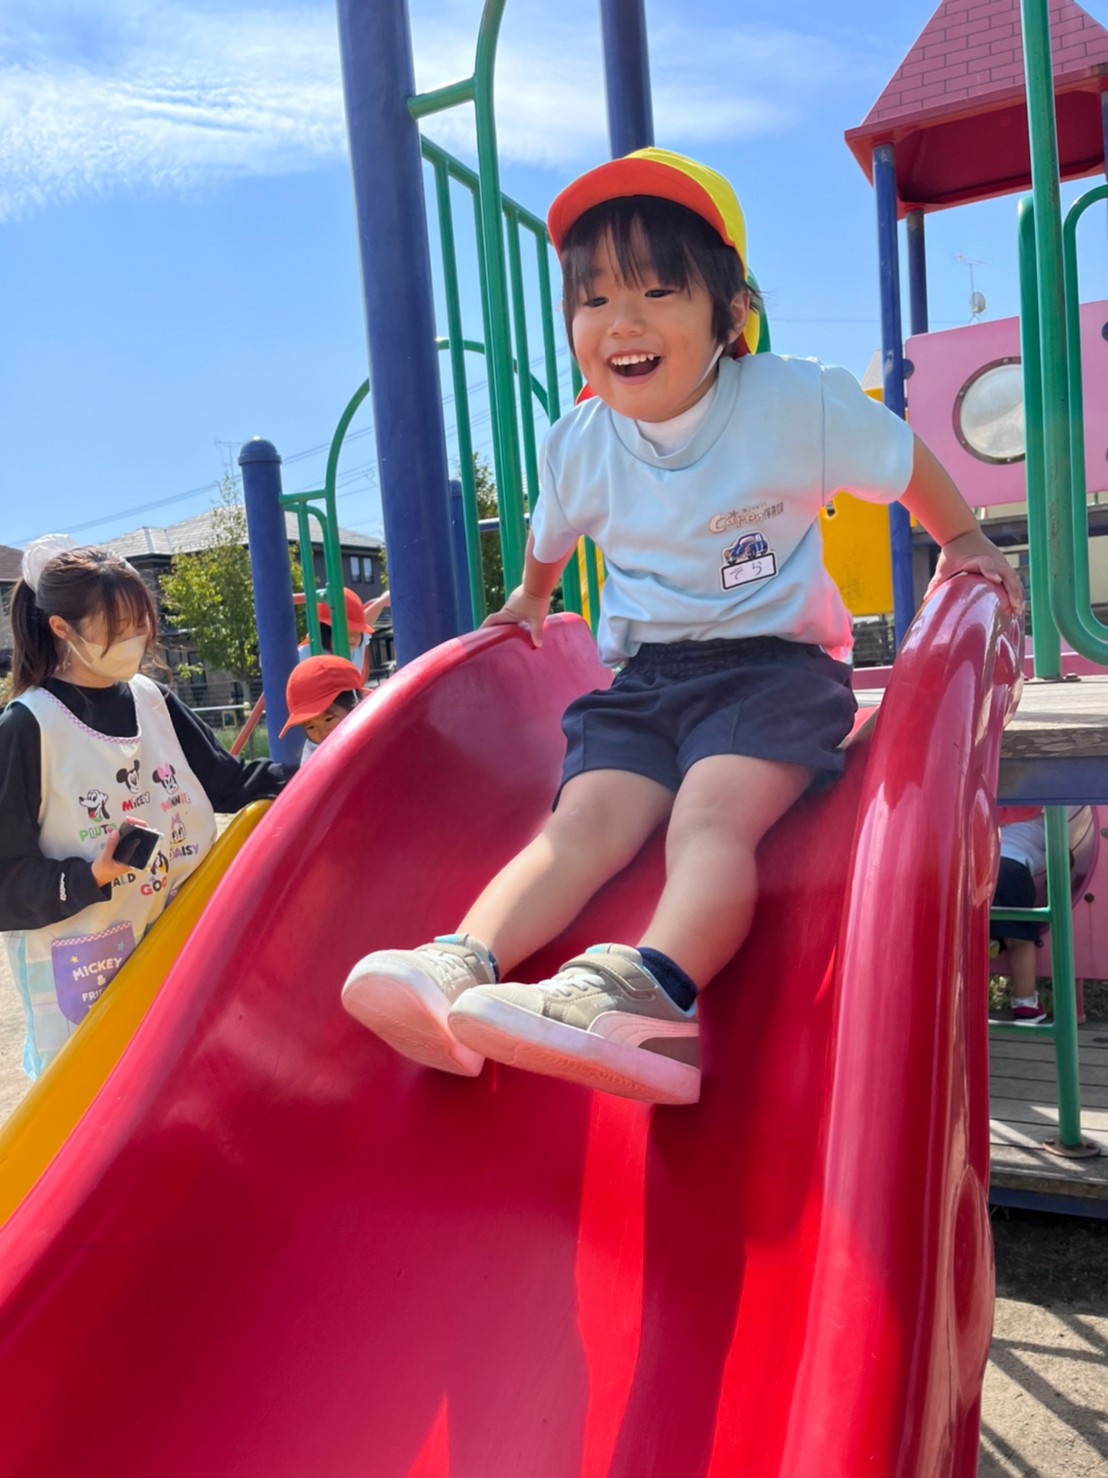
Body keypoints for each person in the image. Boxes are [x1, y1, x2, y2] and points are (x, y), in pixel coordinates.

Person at [341, 147, 1023, 1106]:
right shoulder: (580, 441)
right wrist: (531, 597)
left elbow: (901, 457)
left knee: (709, 816)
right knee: (580, 823)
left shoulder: (790, 400)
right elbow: (550, 534)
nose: (621, 321)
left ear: (729, 311)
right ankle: (462, 960)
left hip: (776, 673)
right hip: (648, 679)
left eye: (658, 291)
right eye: (594, 299)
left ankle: (654, 995)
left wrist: (962, 538)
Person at [0, 536, 295, 1078]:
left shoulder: (152, 700)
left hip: (174, 948)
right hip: (84, 973)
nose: (134, 639)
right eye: (115, 627)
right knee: (95, 1099)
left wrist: (329, 764)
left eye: (140, 623)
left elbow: (230, 783)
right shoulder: (27, 727)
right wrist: (89, 876)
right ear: (61, 628)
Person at [990, 807, 1083, 1025]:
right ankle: (1026, 1005)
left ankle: (989, 941)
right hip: (1012, 871)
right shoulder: (1046, 822)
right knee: (1020, 941)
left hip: (978, 867)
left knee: (977, 926)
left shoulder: (989, 817)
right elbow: (1062, 856)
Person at [282, 654, 365, 765]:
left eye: (328, 719)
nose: (322, 734)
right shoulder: (312, 757)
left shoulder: (377, 736)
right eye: (310, 727)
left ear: (355, 705)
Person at [297, 587, 391, 682]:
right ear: (324, 632)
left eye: (357, 631)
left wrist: (381, 602)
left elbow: (367, 621)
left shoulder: (355, 647)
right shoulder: (307, 654)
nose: (352, 637)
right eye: (345, 632)